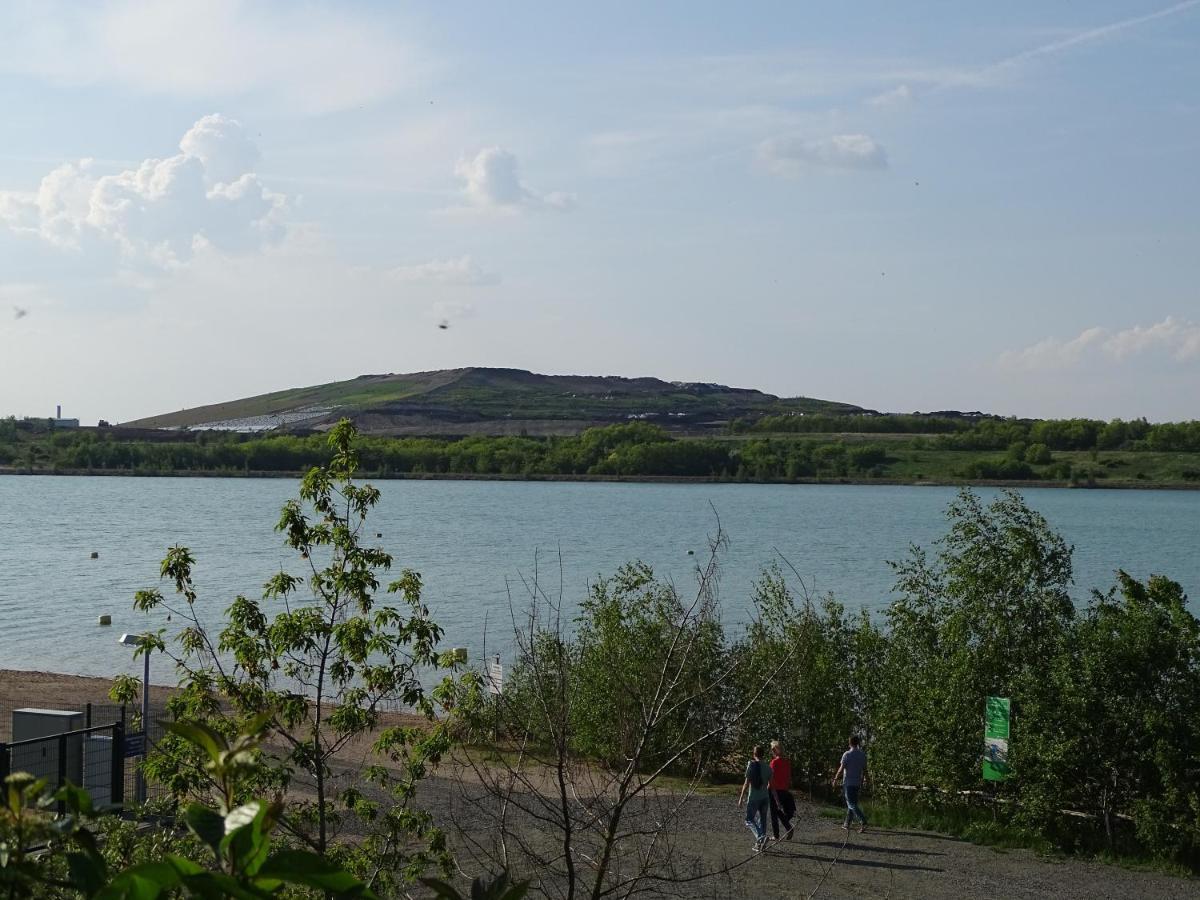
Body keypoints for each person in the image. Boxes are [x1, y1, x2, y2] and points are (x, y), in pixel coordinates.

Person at [831, 735, 868, 833]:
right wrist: (866, 780)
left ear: (850, 743)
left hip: (848, 782)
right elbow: (865, 770)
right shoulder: (862, 755)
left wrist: (835, 778)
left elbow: (841, 768)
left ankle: (863, 820)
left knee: (851, 804)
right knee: (852, 803)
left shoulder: (847, 754)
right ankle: (847, 823)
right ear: (858, 743)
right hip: (857, 783)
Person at [737, 744, 771, 851]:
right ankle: (761, 844)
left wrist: (741, 797)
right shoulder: (768, 768)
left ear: (754, 754)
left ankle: (761, 837)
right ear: (763, 754)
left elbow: (746, 783)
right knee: (763, 820)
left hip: (754, 798)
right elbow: (770, 785)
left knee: (749, 819)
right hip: (765, 797)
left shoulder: (751, 765)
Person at [768, 739, 796, 840]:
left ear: (775, 750)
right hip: (784, 790)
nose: (772, 751)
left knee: (774, 813)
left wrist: (768, 788)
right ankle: (788, 827)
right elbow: (788, 777)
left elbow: (770, 778)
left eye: (772, 749)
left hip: (774, 790)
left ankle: (777, 834)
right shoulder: (787, 762)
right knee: (778, 811)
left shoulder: (773, 763)